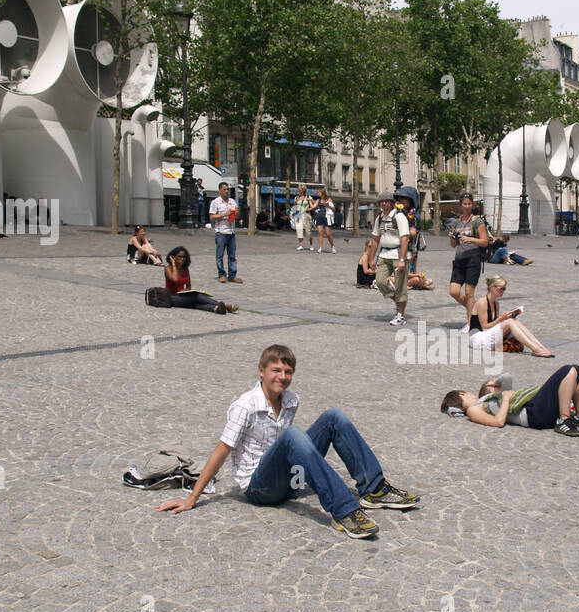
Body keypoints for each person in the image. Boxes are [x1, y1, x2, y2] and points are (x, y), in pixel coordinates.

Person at [157, 344, 419, 539]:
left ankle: (374, 489)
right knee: (293, 435)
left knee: (333, 416)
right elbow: (222, 449)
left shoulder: (291, 400)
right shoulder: (244, 406)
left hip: (289, 479)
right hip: (260, 489)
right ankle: (344, 511)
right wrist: (193, 497)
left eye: (288, 371)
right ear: (261, 371)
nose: (282, 376)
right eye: (276, 370)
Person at [440, 364, 579, 437]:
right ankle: (564, 420)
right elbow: (498, 422)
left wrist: (498, 387)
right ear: (461, 394)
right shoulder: (473, 409)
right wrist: (506, 400)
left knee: (577, 370)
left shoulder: (485, 400)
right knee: (567, 370)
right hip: (532, 413)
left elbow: (507, 377)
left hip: (536, 410)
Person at [468, 275, 553, 356]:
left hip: (486, 335)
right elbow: (485, 326)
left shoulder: (496, 304)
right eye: (501, 288)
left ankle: (540, 346)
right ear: (492, 287)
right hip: (477, 338)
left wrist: (507, 317)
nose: (503, 291)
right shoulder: (482, 302)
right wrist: (502, 318)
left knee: (514, 321)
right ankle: (535, 348)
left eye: (504, 289)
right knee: (509, 322)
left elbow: (494, 325)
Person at [448, 192, 490, 331]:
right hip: (459, 259)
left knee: (469, 292)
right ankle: (474, 310)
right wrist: (453, 238)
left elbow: (485, 242)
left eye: (469, 204)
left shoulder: (477, 222)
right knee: (453, 291)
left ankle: (470, 323)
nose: (467, 206)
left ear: (472, 205)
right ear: (460, 205)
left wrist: (470, 239)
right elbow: (453, 245)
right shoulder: (456, 223)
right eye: (465, 204)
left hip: (473, 259)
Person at [368, 191, 410, 326]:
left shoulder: (399, 217)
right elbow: (375, 238)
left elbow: (405, 238)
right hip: (384, 254)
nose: (383, 203)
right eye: (381, 201)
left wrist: (402, 260)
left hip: (398, 254)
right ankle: (399, 303)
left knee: (401, 286)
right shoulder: (379, 218)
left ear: (392, 203)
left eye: (386, 201)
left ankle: (401, 315)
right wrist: (371, 258)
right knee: (380, 282)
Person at [163, 246, 237, 317]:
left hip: (182, 295)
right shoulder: (168, 268)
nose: (182, 259)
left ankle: (216, 309)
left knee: (195, 304)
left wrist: (187, 291)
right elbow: (175, 279)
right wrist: (173, 264)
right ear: (173, 257)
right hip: (173, 297)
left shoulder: (185, 269)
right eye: (179, 256)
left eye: (184, 257)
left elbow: (188, 285)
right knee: (196, 296)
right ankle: (226, 306)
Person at [209, 181, 242, 284]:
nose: (226, 191)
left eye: (227, 189)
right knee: (220, 255)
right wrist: (224, 214)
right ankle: (221, 274)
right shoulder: (215, 202)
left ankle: (232, 275)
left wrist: (236, 213)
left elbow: (237, 216)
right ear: (220, 190)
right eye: (224, 189)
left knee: (232, 255)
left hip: (231, 232)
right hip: (221, 232)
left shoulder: (232, 201)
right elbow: (212, 217)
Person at [290, 184, 314, 250]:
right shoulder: (296, 197)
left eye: (299, 188)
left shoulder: (308, 197)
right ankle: (301, 245)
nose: (298, 190)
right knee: (299, 230)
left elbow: (313, 205)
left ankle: (311, 245)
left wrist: (309, 207)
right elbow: (294, 206)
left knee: (308, 232)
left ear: (302, 190)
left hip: (306, 215)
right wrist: (295, 202)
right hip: (298, 215)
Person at [313, 188, 337, 253]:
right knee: (320, 232)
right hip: (319, 217)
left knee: (328, 233)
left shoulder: (328, 199)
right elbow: (313, 206)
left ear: (323, 193)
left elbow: (334, 209)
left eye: (319, 192)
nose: (318, 193)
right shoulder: (318, 200)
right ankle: (320, 247)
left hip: (326, 217)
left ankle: (332, 246)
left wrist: (328, 206)